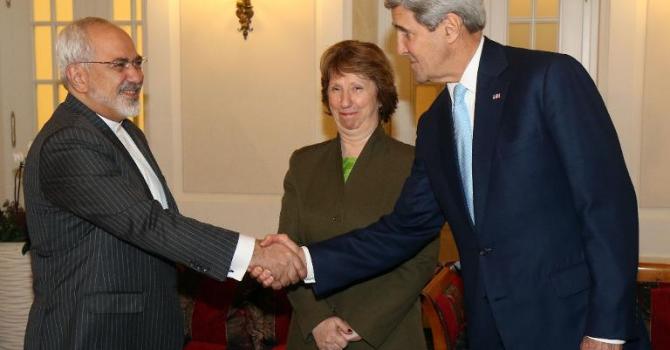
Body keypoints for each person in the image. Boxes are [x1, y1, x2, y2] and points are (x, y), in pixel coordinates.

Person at [256, 1, 650, 349]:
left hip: (572, 326)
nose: (400, 48)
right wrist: (305, 262)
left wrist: (607, 330)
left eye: (406, 33)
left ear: (449, 26)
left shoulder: (548, 79)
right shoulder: (436, 124)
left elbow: (607, 206)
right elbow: (404, 229)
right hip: (488, 330)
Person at [22, 17, 304, 350]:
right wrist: (252, 253)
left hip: (147, 326)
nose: (136, 75)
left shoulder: (127, 132)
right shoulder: (68, 141)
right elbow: (145, 222)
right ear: (77, 76)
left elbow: (161, 224)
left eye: (137, 62)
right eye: (120, 65)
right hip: (91, 333)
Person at [279, 40, 439, 350]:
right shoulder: (302, 162)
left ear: (380, 94)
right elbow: (288, 252)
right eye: (336, 88)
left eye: (357, 88)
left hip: (385, 336)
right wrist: (317, 319)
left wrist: (362, 324)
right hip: (312, 337)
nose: (345, 101)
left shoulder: (414, 164)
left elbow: (421, 261)